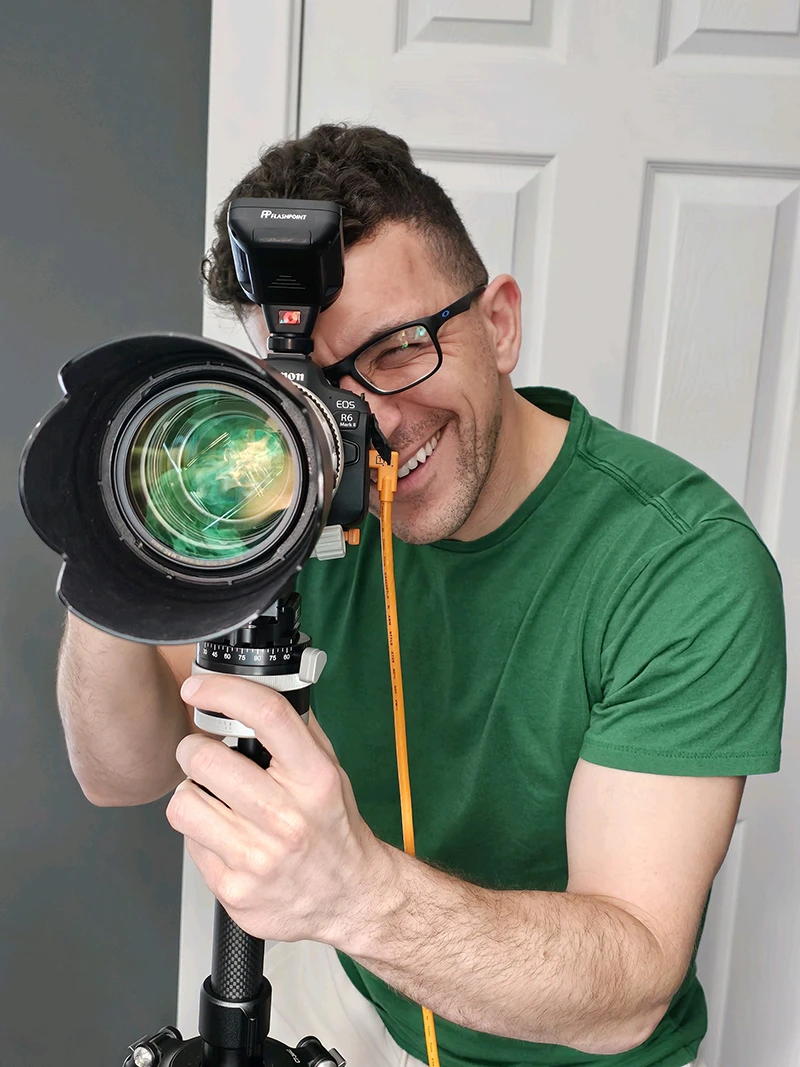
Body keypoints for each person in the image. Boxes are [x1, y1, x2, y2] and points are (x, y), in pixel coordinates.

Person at [58, 124, 786, 1067]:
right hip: (371, 997)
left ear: (499, 323)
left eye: (398, 349)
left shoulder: (680, 564)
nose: (372, 424)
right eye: (315, 389)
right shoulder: (287, 503)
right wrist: (115, 553)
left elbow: (629, 987)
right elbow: (121, 769)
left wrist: (354, 894)